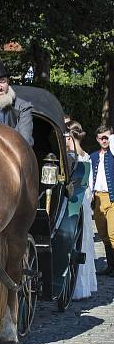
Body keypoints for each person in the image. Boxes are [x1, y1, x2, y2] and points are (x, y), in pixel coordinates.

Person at [65, 120, 97, 299]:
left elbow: (88, 187)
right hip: (80, 198)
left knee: (81, 241)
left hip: (78, 200)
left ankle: (80, 285)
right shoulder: (80, 155)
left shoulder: (80, 157)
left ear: (70, 137)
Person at [90, 124, 114, 276]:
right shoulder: (93, 156)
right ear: (97, 139)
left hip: (112, 198)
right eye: (101, 138)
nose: (104, 140)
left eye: (107, 137)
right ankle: (110, 266)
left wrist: (112, 138)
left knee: (113, 234)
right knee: (103, 234)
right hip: (98, 198)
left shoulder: (113, 154)